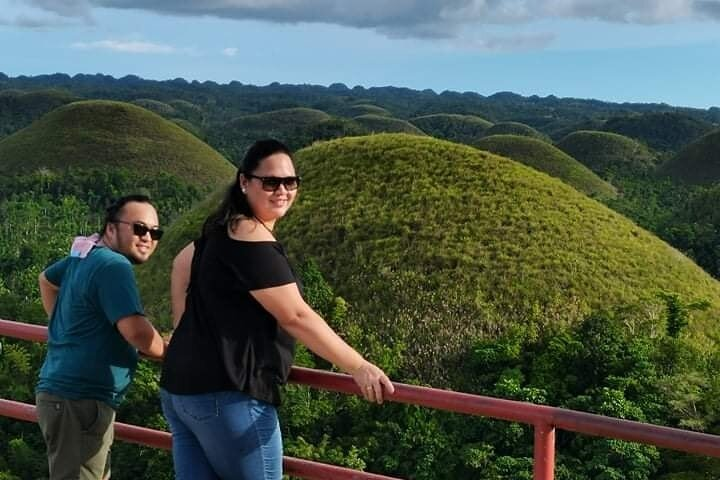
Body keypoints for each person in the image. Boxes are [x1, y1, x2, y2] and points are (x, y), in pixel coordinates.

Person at [160, 139, 395, 480]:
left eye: (290, 182)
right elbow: (296, 316)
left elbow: (180, 266)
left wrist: (186, 332)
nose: (282, 190)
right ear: (244, 182)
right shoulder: (252, 240)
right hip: (227, 395)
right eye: (270, 182)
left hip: (181, 390)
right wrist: (357, 365)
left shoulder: (221, 230)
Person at [36, 194, 167, 480]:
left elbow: (46, 280)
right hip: (80, 401)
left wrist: (66, 327)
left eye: (155, 232)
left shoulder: (87, 254)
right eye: (139, 228)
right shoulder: (114, 266)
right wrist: (170, 350)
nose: (148, 238)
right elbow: (137, 332)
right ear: (111, 228)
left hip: (65, 395)